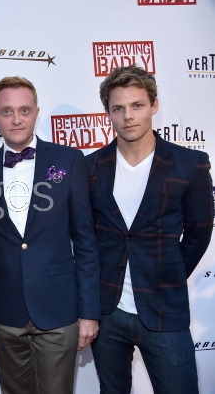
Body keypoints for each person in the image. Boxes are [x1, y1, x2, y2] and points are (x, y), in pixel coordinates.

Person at [86, 65, 213, 394]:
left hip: (164, 310)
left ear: (154, 105)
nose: (128, 116)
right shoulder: (90, 167)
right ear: (108, 114)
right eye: (118, 108)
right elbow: (84, 236)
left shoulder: (190, 164)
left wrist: (167, 275)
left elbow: (199, 233)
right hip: (107, 312)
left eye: (137, 105)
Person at [0, 76, 101, 394]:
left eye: (24, 110)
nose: (16, 119)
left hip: (59, 309)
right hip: (5, 310)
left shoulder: (68, 160)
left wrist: (89, 313)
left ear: (37, 112)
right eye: (7, 111)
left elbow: (85, 241)